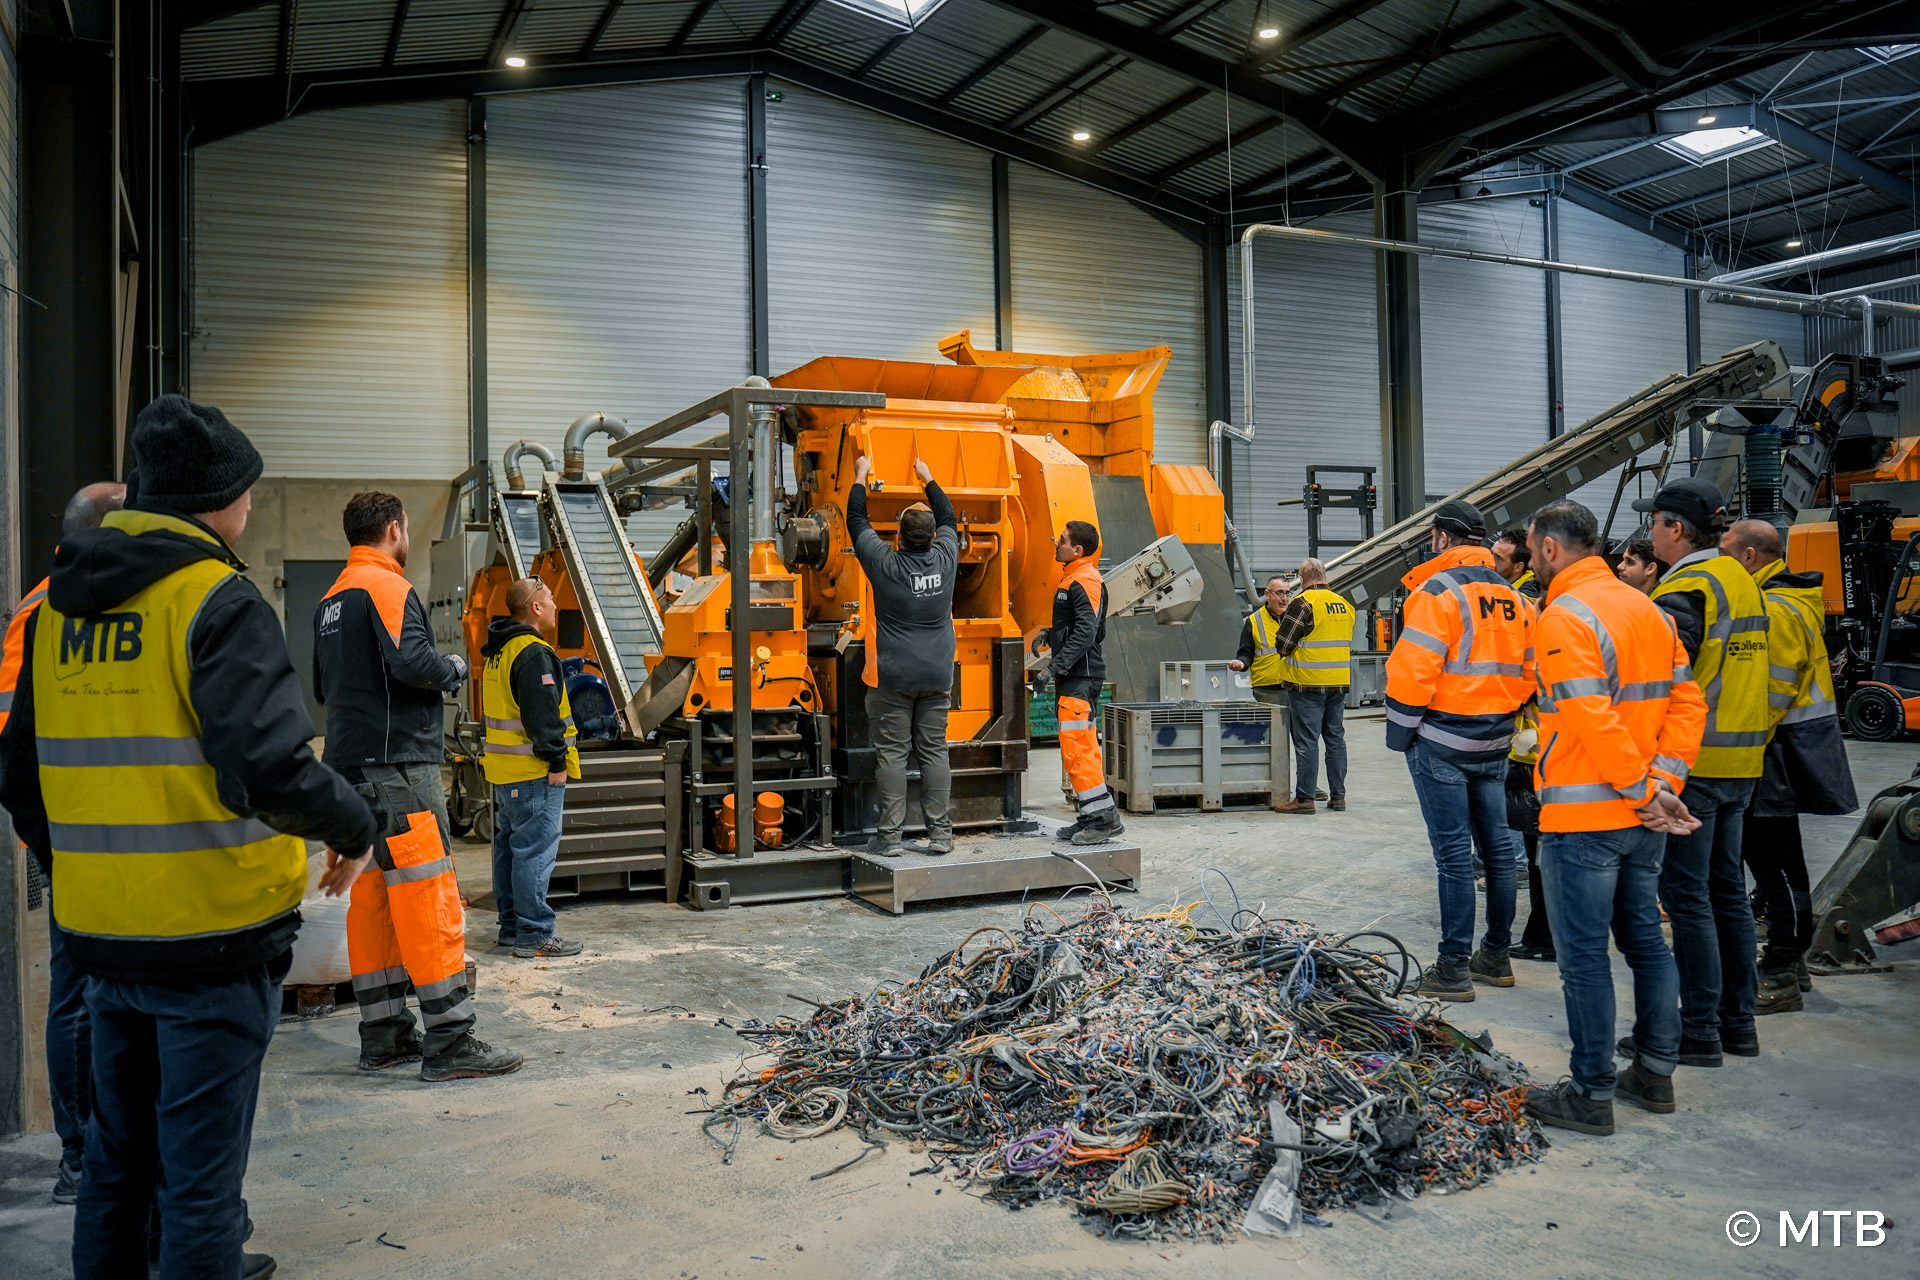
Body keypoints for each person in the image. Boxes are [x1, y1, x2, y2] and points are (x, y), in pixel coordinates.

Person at [0, 394, 379, 1280]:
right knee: (201, 1188)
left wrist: (82, 868)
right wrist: (356, 826)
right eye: (248, 491)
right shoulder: (216, 597)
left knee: (117, 1173)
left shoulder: (56, 611)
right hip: (211, 940)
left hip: (101, 943)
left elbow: (20, 777)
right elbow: (271, 769)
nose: (250, 507)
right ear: (219, 499)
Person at [314, 491, 521, 1080]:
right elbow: (415, 663)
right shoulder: (388, 587)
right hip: (398, 768)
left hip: (348, 770)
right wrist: (455, 668)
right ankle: (452, 1041)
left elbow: (326, 686)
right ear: (395, 529)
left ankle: (383, 1035)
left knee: (373, 899)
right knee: (428, 895)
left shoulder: (328, 601)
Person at [1521, 499, 1706, 1137]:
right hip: (1644, 818)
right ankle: (1653, 1075)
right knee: (1647, 945)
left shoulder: (1563, 615)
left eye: (1530, 549)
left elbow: (1587, 712)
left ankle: (1591, 1093)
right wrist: (1663, 783)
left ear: (1548, 548)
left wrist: (1638, 789)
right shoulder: (1650, 610)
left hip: (1586, 818)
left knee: (1585, 960)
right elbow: (1688, 703)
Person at [0, 482, 124, 1204]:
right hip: (73, 841)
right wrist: (52, 840)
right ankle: (79, 1156)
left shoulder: (88, 602)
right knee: (76, 992)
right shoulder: (47, 608)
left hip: (114, 839)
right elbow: (12, 749)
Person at [1635, 477, 1769, 1066]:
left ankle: (1700, 1032)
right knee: (1727, 895)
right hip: (1743, 759)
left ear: (1676, 529)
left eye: (1655, 522)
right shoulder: (1741, 578)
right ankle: (1739, 1023)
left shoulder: (1686, 588)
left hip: (1696, 765)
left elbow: (1666, 677)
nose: (1649, 532)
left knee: (1686, 898)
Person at [1384, 500, 1534, 1000]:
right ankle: (1495, 956)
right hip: (1495, 743)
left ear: (1443, 539)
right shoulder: (1517, 598)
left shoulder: (1434, 592)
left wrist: (1401, 732)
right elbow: (1532, 674)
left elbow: (1412, 672)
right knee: (1496, 853)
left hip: (1442, 742)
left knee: (1452, 858)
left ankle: (1452, 969)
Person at [1721, 519, 1858, 1014]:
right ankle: (1791, 964)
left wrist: (1738, 739)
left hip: (1769, 752)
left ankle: (1780, 967)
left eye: (1725, 554)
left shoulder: (1773, 610)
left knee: (1774, 865)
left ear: (1751, 557)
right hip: (1782, 748)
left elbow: (1770, 691)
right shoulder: (1785, 601)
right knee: (1780, 862)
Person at [847, 454, 960, 856]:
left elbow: (856, 521)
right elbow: (948, 516)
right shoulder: (947, 558)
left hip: (893, 678)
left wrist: (861, 474)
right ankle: (942, 836)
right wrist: (927, 477)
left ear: (897, 536)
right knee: (934, 751)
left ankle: (890, 839)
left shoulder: (885, 564)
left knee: (892, 756)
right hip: (936, 675)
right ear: (932, 538)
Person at [482, 578, 584, 958]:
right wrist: (556, 759)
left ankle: (511, 927)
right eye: (551, 599)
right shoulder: (533, 652)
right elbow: (541, 716)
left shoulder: (500, 650)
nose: (557, 605)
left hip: (505, 772)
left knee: (511, 852)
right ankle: (535, 935)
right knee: (534, 853)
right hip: (532, 771)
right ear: (536, 609)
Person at [1037, 519, 1123, 846]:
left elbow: (1088, 633)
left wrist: (1053, 669)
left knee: (1079, 751)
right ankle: (1093, 816)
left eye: (1061, 540)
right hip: (1078, 674)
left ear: (1077, 549)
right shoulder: (1075, 577)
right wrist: (1052, 635)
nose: (1055, 544)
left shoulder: (1084, 579)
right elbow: (1086, 626)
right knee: (1079, 750)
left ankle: (1102, 822)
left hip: (1079, 676)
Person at [1275, 559, 1353, 813]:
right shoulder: (1344, 604)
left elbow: (1283, 644)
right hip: (1338, 683)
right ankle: (1338, 796)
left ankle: (1305, 799)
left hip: (1307, 684)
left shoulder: (1303, 603)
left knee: (1307, 741)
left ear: (1303, 578)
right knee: (1335, 739)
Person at [1228, 575, 1296, 707]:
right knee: (1276, 727)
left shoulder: (1295, 619)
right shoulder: (1254, 621)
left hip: (1295, 687)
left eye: (1287, 593)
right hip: (1268, 690)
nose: (1284, 598)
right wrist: (1241, 663)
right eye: (1279, 593)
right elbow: (1246, 652)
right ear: (1267, 594)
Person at [1492, 528, 1541, 602]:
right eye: (1491, 553)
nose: (1490, 560)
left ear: (1518, 567)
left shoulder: (1525, 599)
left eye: (1498, 558)